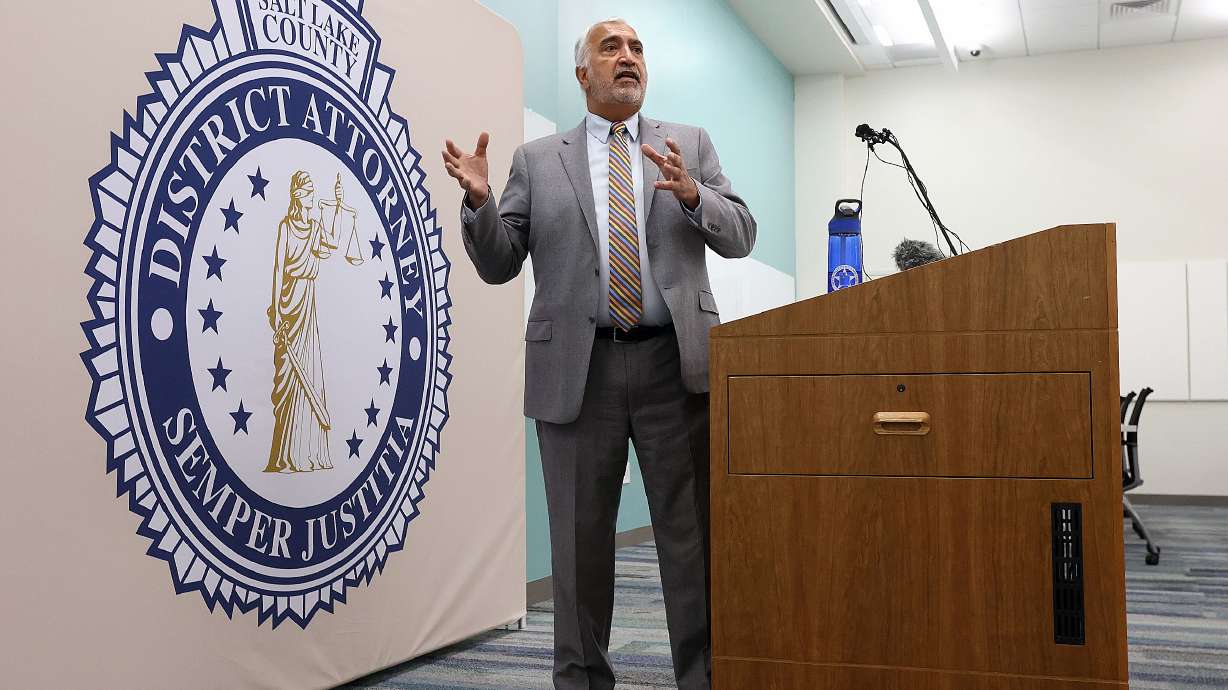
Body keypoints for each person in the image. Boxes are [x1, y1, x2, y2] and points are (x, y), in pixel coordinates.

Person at [441, 18, 755, 690]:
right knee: (580, 547)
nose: (627, 57)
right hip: (578, 372)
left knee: (692, 542)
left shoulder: (689, 144)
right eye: (610, 48)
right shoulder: (537, 161)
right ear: (583, 73)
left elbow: (741, 235)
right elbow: (499, 263)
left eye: (636, 48)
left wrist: (694, 194)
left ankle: (705, 678)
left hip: (676, 366)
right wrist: (479, 202)